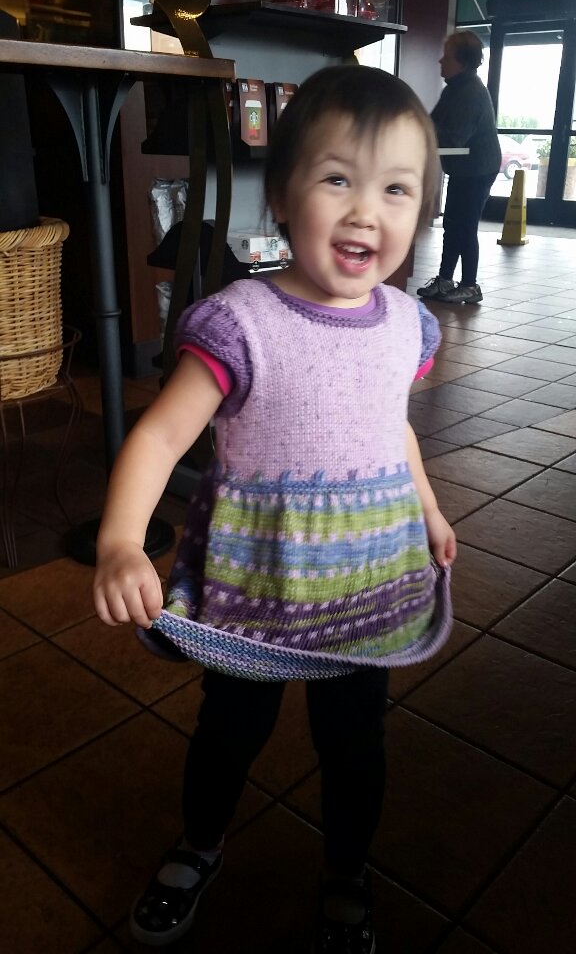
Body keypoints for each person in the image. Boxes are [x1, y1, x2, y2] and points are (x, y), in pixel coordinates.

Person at [93, 64, 457, 954]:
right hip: (258, 587)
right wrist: (120, 542)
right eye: (337, 179)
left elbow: (392, 427)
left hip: (366, 587)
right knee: (229, 730)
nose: (366, 211)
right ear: (284, 197)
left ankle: (347, 873)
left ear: (422, 210)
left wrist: (429, 508)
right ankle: (200, 844)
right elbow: (160, 438)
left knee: (356, 745)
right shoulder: (242, 321)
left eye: (396, 189)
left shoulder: (405, 323)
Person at [417, 30, 501, 305]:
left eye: (447, 56)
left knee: (464, 226)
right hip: (463, 168)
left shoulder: (471, 92)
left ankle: (470, 286)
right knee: (452, 224)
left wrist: (421, 130)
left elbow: (454, 137)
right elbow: (432, 125)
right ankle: (445, 280)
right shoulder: (454, 88)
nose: (440, 61)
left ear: (463, 63)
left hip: (478, 169)